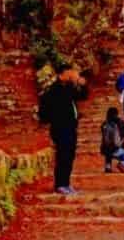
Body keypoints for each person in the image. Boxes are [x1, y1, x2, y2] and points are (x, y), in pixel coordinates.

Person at [36, 64, 87, 196]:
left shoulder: (68, 87)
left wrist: (81, 84)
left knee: (69, 155)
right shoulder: (55, 89)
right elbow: (45, 108)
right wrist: (52, 120)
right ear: (63, 73)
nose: (72, 75)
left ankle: (66, 183)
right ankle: (60, 184)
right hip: (61, 127)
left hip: (71, 127)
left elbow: (82, 96)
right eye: (70, 72)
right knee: (63, 155)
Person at [100, 106, 124, 173]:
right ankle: (123, 164)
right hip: (115, 150)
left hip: (105, 150)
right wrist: (123, 140)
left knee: (108, 149)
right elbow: (116, 143)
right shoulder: (115, 126)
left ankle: (108, 166)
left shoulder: (104, 124)